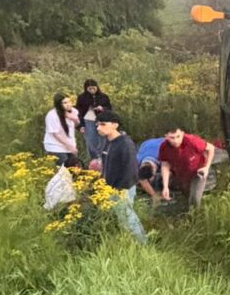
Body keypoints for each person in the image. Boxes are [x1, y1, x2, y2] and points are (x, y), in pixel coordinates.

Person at [95, 111, 147, 244]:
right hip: (110, 187)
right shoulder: (108, 142)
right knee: (122, 218)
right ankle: (130, 242)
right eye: (97, 125)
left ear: (115, 125)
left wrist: (121, 189)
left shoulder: (125, 144)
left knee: (128, 217)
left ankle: (143, 244)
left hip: (123, 188)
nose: (98, 128)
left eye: (102, 124)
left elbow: (130, 169)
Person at [159, 126, 216, 209]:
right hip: (181, 174)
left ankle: (195, 218)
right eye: (172, 138)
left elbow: (211, 148)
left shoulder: (192, 141)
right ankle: (194, 210)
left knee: (194, 199)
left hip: (198, 171)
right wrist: (165, 186)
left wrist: (206, 167)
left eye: (178, 137)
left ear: (182, 134)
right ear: (166, 137)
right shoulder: (164, 147)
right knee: (187, 195)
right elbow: (165, 165)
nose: (176, 141)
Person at [76, 79, 112, 161]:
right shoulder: (81, 97)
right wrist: (80, 126)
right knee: (91, 140)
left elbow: (109, 108)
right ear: (86, 88)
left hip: (101, 120)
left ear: (97, 87)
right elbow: (78, 112)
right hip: (88, 120)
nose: (92, 90)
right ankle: (94, 159)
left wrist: (102, 108)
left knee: (102, 139)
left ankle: (102, 157)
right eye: (90, 89)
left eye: (94, 88)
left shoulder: (104, 96)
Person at [43, 92, 81, 167]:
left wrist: (74, 119)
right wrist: (69, 146)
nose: (68, 104)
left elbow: (76, 125)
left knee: (74, 169)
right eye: (65, 103)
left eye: (69, 101)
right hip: (56, 146)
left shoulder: (74, 111)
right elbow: (55, 134)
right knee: (64, 169)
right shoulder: (52, 115)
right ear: (59, 104)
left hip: (70, 144)